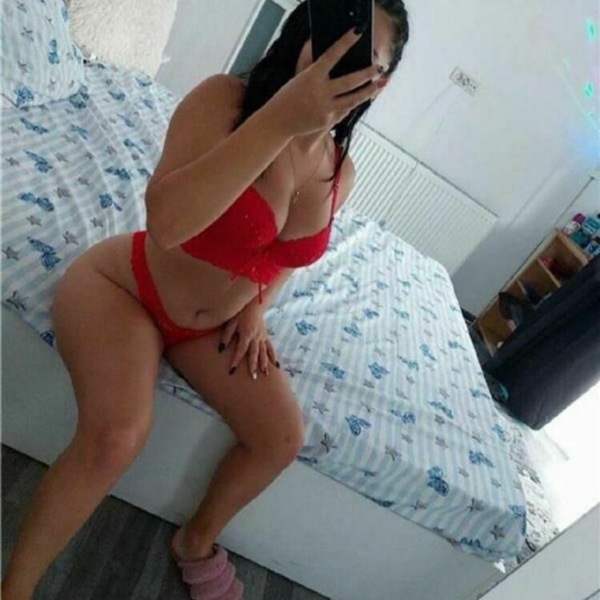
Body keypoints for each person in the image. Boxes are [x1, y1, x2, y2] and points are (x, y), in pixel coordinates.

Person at [1, 1, 409, 599]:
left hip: (208, 327)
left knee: (282, 437)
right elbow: (166, 223)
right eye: (333, 38)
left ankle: (194, 541)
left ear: (382, 80)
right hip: (127, 288)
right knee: (116, 438)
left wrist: (256, 308)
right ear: (305, 35)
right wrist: (281, 120)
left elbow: (282, 257)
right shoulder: (225, 100)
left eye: (363, 56)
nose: (336, 60)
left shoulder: (339, 172)